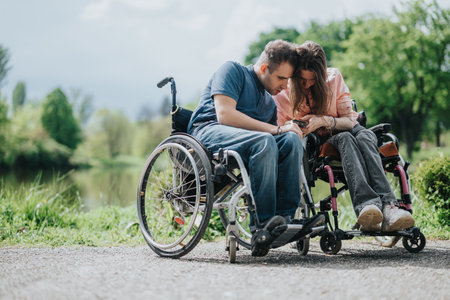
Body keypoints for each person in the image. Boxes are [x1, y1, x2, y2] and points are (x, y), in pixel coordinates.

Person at [187, 40, 323, 255]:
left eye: (288, 80)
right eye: (281, 78)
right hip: (208, 130)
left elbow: (273, 143)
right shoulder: (232, 71)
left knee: (291, 140)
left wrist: (285, 131)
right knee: (267, 138)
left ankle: (284, 219)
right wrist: (275, 130)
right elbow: (225, 115)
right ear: (263, 68)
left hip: (249, 143)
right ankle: (262, 224)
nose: (286, 86)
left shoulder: (269, 103)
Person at [274, 41, 414, 232]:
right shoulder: (283, 93)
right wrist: (300, 127)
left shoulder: (333, 78)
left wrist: (322, 120)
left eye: (313, 80)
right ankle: (367, 205)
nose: (306, 85)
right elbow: (281, 129)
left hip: (347, 128)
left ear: (321, 76)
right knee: (345, 139)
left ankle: (389, 207)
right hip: (320, 142)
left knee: (364, 136)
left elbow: (350, 121)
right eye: (302, 79)